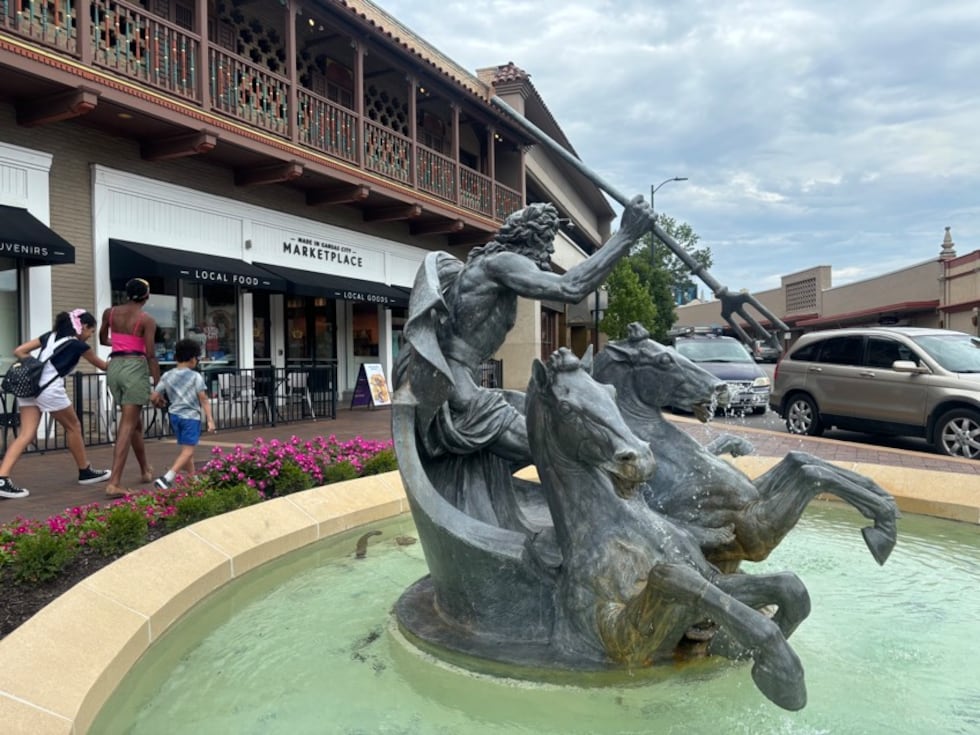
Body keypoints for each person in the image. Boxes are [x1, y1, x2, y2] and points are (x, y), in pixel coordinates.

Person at [395, 195, 654, 525]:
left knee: (550, 424)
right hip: (460, 397)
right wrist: (626, 236)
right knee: (559, 450)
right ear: (532, 240)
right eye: (547, 244)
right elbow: (570, 287)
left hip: (465, 387)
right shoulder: (502, 264)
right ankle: (599, 528)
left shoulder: (485, 269)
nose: (549, 254)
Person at [0, 310, 111, 499]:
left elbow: (19, 351)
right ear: (83, 327)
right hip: (49, 389)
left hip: (29, 387)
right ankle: (85, 471)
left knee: (26, 434)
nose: (90, 336)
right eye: (91, 331)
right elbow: (103, 366)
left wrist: (36, 366)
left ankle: (2, 478)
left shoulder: (49, 336)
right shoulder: (78, 345)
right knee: (73, 426)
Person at [99, 278, 160, 499]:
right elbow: (151, 354)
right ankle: (114, 483)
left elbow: (102, 339)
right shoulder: (147, 320)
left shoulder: (110, 313)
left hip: (114, 366)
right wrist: (158, 386)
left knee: (134, 424)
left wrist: (121, 344)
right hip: (134, 367)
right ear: (146, 296)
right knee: (127, 425)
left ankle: (145, 470)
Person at [149, 338, 215, 490]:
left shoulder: (167, 375)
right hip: (191, 418)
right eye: (197, 358)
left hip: (174, 417)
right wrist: (210, 419)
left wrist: (158, 402)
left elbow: (154, 396)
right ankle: (167, 478)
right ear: (192, 359)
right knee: (188, 450)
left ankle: (193, 478)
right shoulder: (195, 376)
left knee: (187, 449)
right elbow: (203, 399)